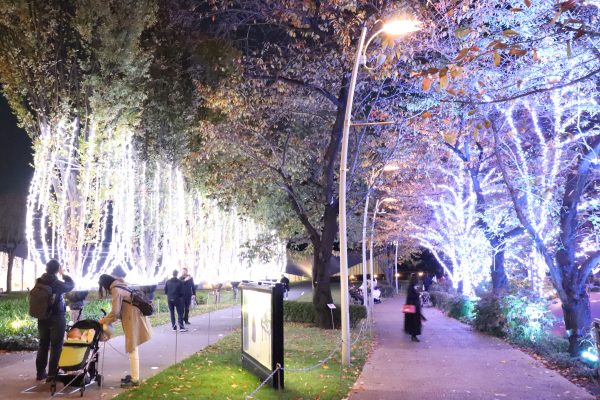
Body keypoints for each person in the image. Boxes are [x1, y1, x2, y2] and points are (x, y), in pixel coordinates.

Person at [98, 274, 152, 388]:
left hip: (132, 318)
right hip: (135, 316)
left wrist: (103, 321)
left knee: (132, 347)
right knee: (133, 346)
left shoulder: (116, 289)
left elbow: (116, 312)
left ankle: (135, 379)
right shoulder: (122, 284)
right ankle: (134, 376)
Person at [35, 259, 75, 381]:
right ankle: (52, 375)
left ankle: (40, 373)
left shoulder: (39, 281)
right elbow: (71, 285)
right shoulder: (57, 283)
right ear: (57, 269)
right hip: (57, 317)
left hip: (42, 316)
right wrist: (64, 275)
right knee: (56, 345)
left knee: (43, 344)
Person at [404, 274, 426, 342]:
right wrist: (419, 295)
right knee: (415, 322)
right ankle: (414, 336)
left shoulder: (411, 286)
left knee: (412, 321)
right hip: (414, 306)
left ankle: (413, 335)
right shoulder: (413, 287)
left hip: (411, 306)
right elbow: (415, 295)